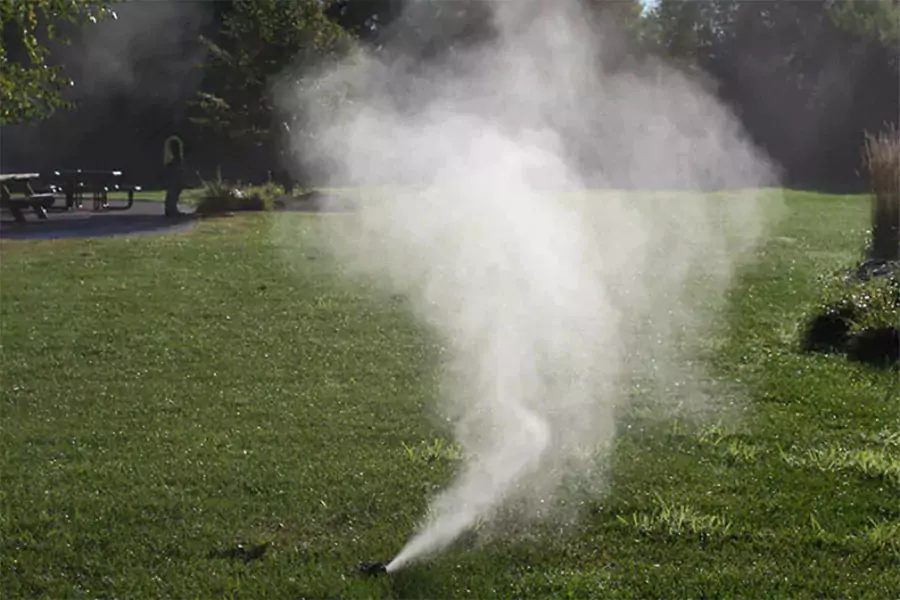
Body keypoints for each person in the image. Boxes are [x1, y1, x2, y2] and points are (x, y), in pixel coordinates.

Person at [162, 135, 186, 217]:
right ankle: (170, 209)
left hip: (173, 170)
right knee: (173, 190)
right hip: (173, 171)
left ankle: (171, 208)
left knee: (174, 190)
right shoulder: (174, 160)